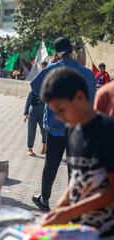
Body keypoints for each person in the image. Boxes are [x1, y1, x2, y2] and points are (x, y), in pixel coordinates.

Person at [40, 67, 114, 238]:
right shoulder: (71, 130)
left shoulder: (107, 131)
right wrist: (60, 208)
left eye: (60, 109)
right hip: (78, 230)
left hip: (104, 232)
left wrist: (69, 212)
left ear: (80, 97)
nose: (58, 117)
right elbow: (75, 179)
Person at [30, 37, 96, 211]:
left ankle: (44, 200)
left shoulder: (52, 68)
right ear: (72, 48)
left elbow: (36, 89)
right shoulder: (87, 73)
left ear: (56, 53)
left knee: (51, 164)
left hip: (55, 128)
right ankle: (71, 204)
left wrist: (49, 66)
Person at [23, 90, 47, 157]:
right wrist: (26, 113)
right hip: (33, 113)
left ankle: (44, 147)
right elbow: (28, 103)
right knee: (31, 131)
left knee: (44, 130)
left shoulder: (46, 92)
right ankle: (30, 149)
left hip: (43, 114)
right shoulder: (32, 92)